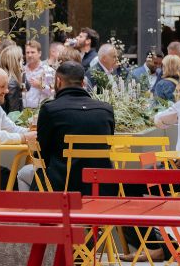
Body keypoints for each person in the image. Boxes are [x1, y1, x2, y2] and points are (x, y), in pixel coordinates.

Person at [21, 60, 114, 193]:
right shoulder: (106, 110)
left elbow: (42, 153)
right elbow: (107, 146)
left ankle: (34, 212)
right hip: (101, 187)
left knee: (23, 174)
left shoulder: (50, 110)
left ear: (58, 81)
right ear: (83, 83)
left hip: (61, 186)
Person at [23, 39, 55, 110]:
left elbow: (53, 92)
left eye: (32, 52)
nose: (29, 55)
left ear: (39, 53)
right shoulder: (22, 70)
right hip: (23, 111)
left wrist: (41, 86)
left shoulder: (48, 71)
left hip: (41, 110)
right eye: (27, 52)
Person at [0, 44, 25, 113]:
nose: (23, 61)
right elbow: (13, 114)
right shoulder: (12, 83)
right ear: (15, 62)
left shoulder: (2, 79)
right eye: (21, 59)